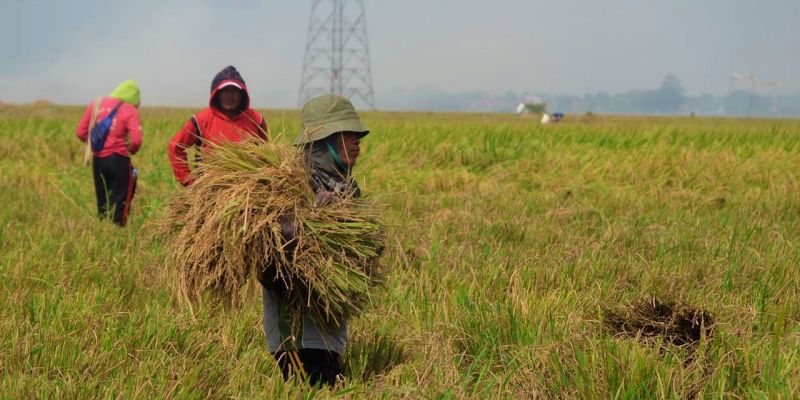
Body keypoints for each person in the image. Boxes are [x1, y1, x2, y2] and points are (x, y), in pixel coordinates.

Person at [261, 94, 370, 387]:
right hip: (296, 334)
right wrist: (306, 227)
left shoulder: (348, 190)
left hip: (331, 331)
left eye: (358, 135)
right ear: (325, 140)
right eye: (349, 134)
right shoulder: (289, 188)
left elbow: (369, 250)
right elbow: (269, 270)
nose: (358, 141)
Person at [168, 65, 268, 186]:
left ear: (242, 94)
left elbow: (265, 156)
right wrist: (190, 182)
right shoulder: (201, 120)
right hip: (211, 191)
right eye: (225, 91)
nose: (229, 96)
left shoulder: (256, 120)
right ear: (216, 93)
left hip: (247, 190)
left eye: (234, 91)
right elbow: (175, 147)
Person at [76, 80, 142, 227]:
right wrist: (130, 149)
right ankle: (116, 233)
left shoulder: (96, 104)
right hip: (119, 161)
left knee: (103, 200)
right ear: (133, 98)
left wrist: (95, 145)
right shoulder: (129, 109)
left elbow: (80, 132)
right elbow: (136, 141)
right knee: (120, 200)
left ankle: (102, 231)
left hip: (98, 160)